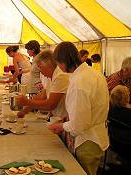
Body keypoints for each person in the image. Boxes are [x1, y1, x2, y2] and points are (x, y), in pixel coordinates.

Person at [48, 42, 109, 175]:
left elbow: (79, 125)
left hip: (88, 141)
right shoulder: (94, 73)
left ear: (64, 62)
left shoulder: (79, 83)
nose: (59, 67)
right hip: (98, 135)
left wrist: (62, 126)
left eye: (58, 63)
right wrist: (69, 117)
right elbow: (92, 107)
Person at [16, 49, 69, 121]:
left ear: (48, 64)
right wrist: (25, 111)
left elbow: (51, 105)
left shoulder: (60, 76)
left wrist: (26, 102)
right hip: (56, 118)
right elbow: (42, 96)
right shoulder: (50, 76)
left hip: (64, 121)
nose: (40, 71)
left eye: (40, 67)